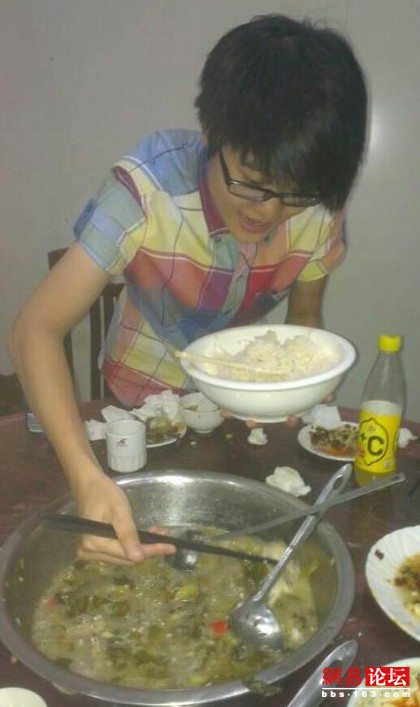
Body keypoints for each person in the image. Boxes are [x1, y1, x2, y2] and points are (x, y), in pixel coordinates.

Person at [8, 13, 368, 564]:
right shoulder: (146, 187)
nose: (269, 211)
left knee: (236, 552)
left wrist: (290, 393)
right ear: (211, 132)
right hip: (138, 403)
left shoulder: (319, 204)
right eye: (252, 181)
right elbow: (35, 329)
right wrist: (85, 477)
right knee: (132, 553)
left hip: (237, 409)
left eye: (294, 193)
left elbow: (306, 322)